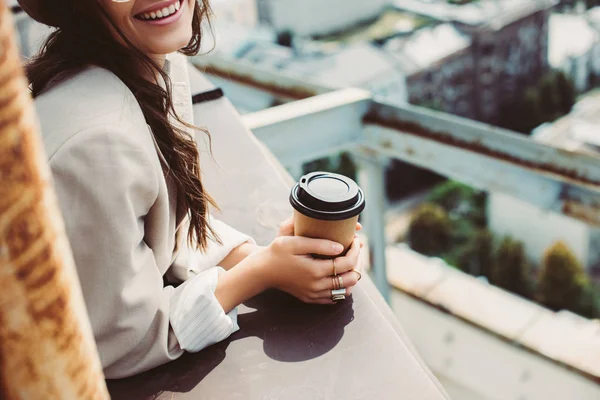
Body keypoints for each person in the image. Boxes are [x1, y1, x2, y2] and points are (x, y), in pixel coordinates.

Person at [16, 0, 363, 379]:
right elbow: (119, 340)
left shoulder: (141, 64)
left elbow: (156, 231)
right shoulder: (98, 139)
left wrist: (268, 260)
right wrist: (260, 273)